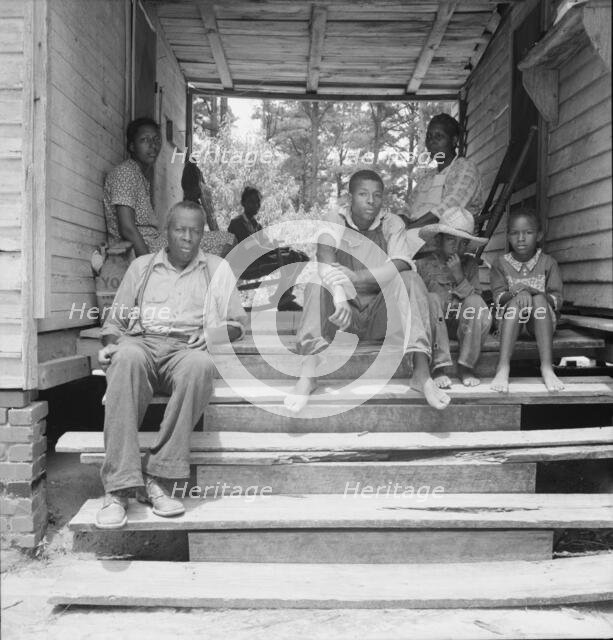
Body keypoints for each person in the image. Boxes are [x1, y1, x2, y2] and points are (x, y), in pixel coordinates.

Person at [94, 200, 247, 529]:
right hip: (143, 343)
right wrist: (109, 347)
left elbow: (238, 324)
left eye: (195, 231)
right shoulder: (142, 267)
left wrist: (213, 332)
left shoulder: (218, 268)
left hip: (185, 348)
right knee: (125, 358)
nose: (187, 237)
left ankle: (158, 480)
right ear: (167, 231)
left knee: (201, 367)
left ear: (203, 235)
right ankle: (118, 489)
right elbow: (115, 322)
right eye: (180, 229)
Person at [284, 169, 450, 414]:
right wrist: (339, 294)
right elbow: (324, 257)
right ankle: (308, 375)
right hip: (344, 318)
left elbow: (400, 263)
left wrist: (356, 277)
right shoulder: (335, 218)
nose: (371, 201)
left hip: (380, 317)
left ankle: (421, 372)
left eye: (377, 195)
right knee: (315, 283)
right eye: (363, 194)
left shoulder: (391, 223)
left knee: (411, 279)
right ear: (350, 197)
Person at [490, 208, 564, 393]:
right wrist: (517, 295)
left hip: (541, 323)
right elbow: (498, 298)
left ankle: (547, 367)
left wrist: (529, 291)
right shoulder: (500, 263)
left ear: (538, 235)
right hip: (510, 324)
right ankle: (503, 366)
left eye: (528, 232)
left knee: (539, 300)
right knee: (515, 303)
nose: (521, 238)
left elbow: (556, 299)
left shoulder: (548, 263)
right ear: (508, 236)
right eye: (515, 233)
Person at [417, 207, 491, 388]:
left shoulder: (471, 264)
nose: (456, 247)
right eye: (451, 239)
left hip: (463, 326)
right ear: (439, 239)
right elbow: (418, 302)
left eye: (462, 243)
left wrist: (459, 276)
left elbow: (478, 304)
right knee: (431, 298)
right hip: (435, 326)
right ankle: (438, 367)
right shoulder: (424, 265)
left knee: (475, 302)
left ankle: (466, 366)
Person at [402, 113, 484, 254]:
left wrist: (410, 228)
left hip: (446, 235)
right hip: (414, 229)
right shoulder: (428, 177)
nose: (432, 141)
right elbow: (408, 206)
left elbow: (449, 208)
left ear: (454, 141)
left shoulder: (465, 168)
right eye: (429, 137)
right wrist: (401, 220)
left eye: (439, 137)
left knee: (399, 242)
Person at [227, 186, 307, 311]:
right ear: (244, 203)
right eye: (252, 202)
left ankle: (283, 296)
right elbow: (252, 248)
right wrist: (279, 250)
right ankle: (282, 300)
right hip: (245, 265)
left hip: (259, 260)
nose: (256, 205)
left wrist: (285, 249)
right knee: (293, 257)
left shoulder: (256, 225)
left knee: (302, 257)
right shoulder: (237, 223)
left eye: (258, 202)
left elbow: (267, 246)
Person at [103, 117, 165, 257]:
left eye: (156, 140)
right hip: (140, 250)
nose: (153, 145)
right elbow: (127, 229)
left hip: (154, 245)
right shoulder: (125, 173)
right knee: (224, 241)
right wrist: (146, 265)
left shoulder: (140, 176)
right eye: (144, 140)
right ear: (131, 146)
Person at [181, 160, 236, 257]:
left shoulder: (187, 205)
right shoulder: (192, 208)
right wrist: (207, 203)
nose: (204, 184)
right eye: (202, 181)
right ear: (198, 185)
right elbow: (213, 229)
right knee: (231, 240)